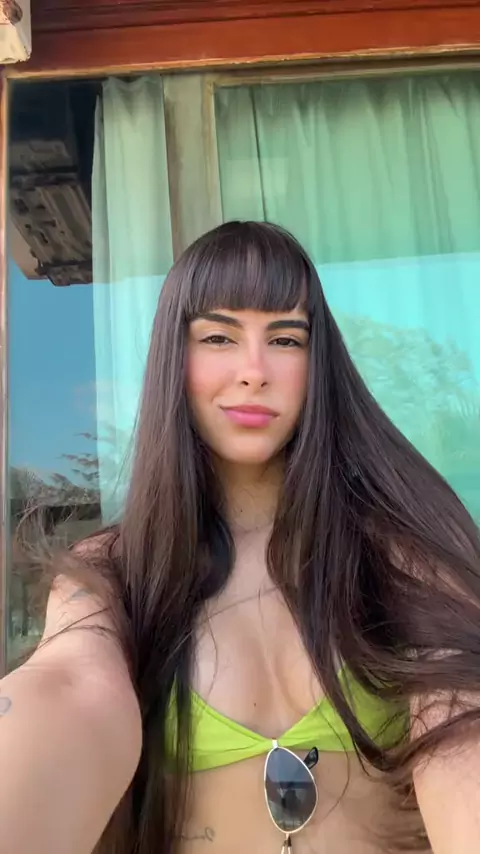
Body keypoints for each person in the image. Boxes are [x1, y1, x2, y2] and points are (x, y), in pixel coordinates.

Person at [1, 221, 480, 854]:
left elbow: (462, 718)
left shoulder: (399, 555)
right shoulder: (117, 572)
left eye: (285, 338)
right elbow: (69, 686)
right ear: (175, 358)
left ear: (317, 364)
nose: (254, 371)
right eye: (219, 337)